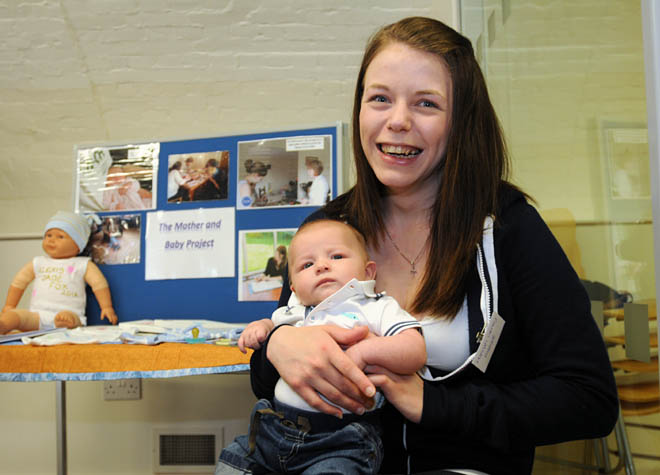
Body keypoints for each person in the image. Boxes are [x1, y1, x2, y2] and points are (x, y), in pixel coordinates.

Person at [248, 17, 618, 474]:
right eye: (380, 98)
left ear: (461, 121)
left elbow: (588, 398)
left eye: (426, 103)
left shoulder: (508, 227)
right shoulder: (329, 229)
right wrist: (278, 346)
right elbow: (269, 378)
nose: (397, 121)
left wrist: (433, 403)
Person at [216, 219, 426, 474]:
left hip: (342, 439)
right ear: (294, 288)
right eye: (307, 264)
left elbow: (415, 349)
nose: (322, 266)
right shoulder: (294, 310)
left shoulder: (374, 306)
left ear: (369, 272)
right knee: (231, 462)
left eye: (336, 256)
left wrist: (364, 352)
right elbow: (272, 327)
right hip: (275, 427)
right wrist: (261, 327)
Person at [0, 211, 118, 334]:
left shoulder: (82, 264)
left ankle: (63, 325)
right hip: (37, 316)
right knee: (17, 316)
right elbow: (19, 282)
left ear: (78, 244)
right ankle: (3, 325)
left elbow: (99, 284)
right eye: (48, 235)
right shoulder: (39, 262)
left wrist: (106, 307)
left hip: (69, 313)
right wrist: (10, 306)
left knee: (70, 318)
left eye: (60, 237)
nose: (51, 240)